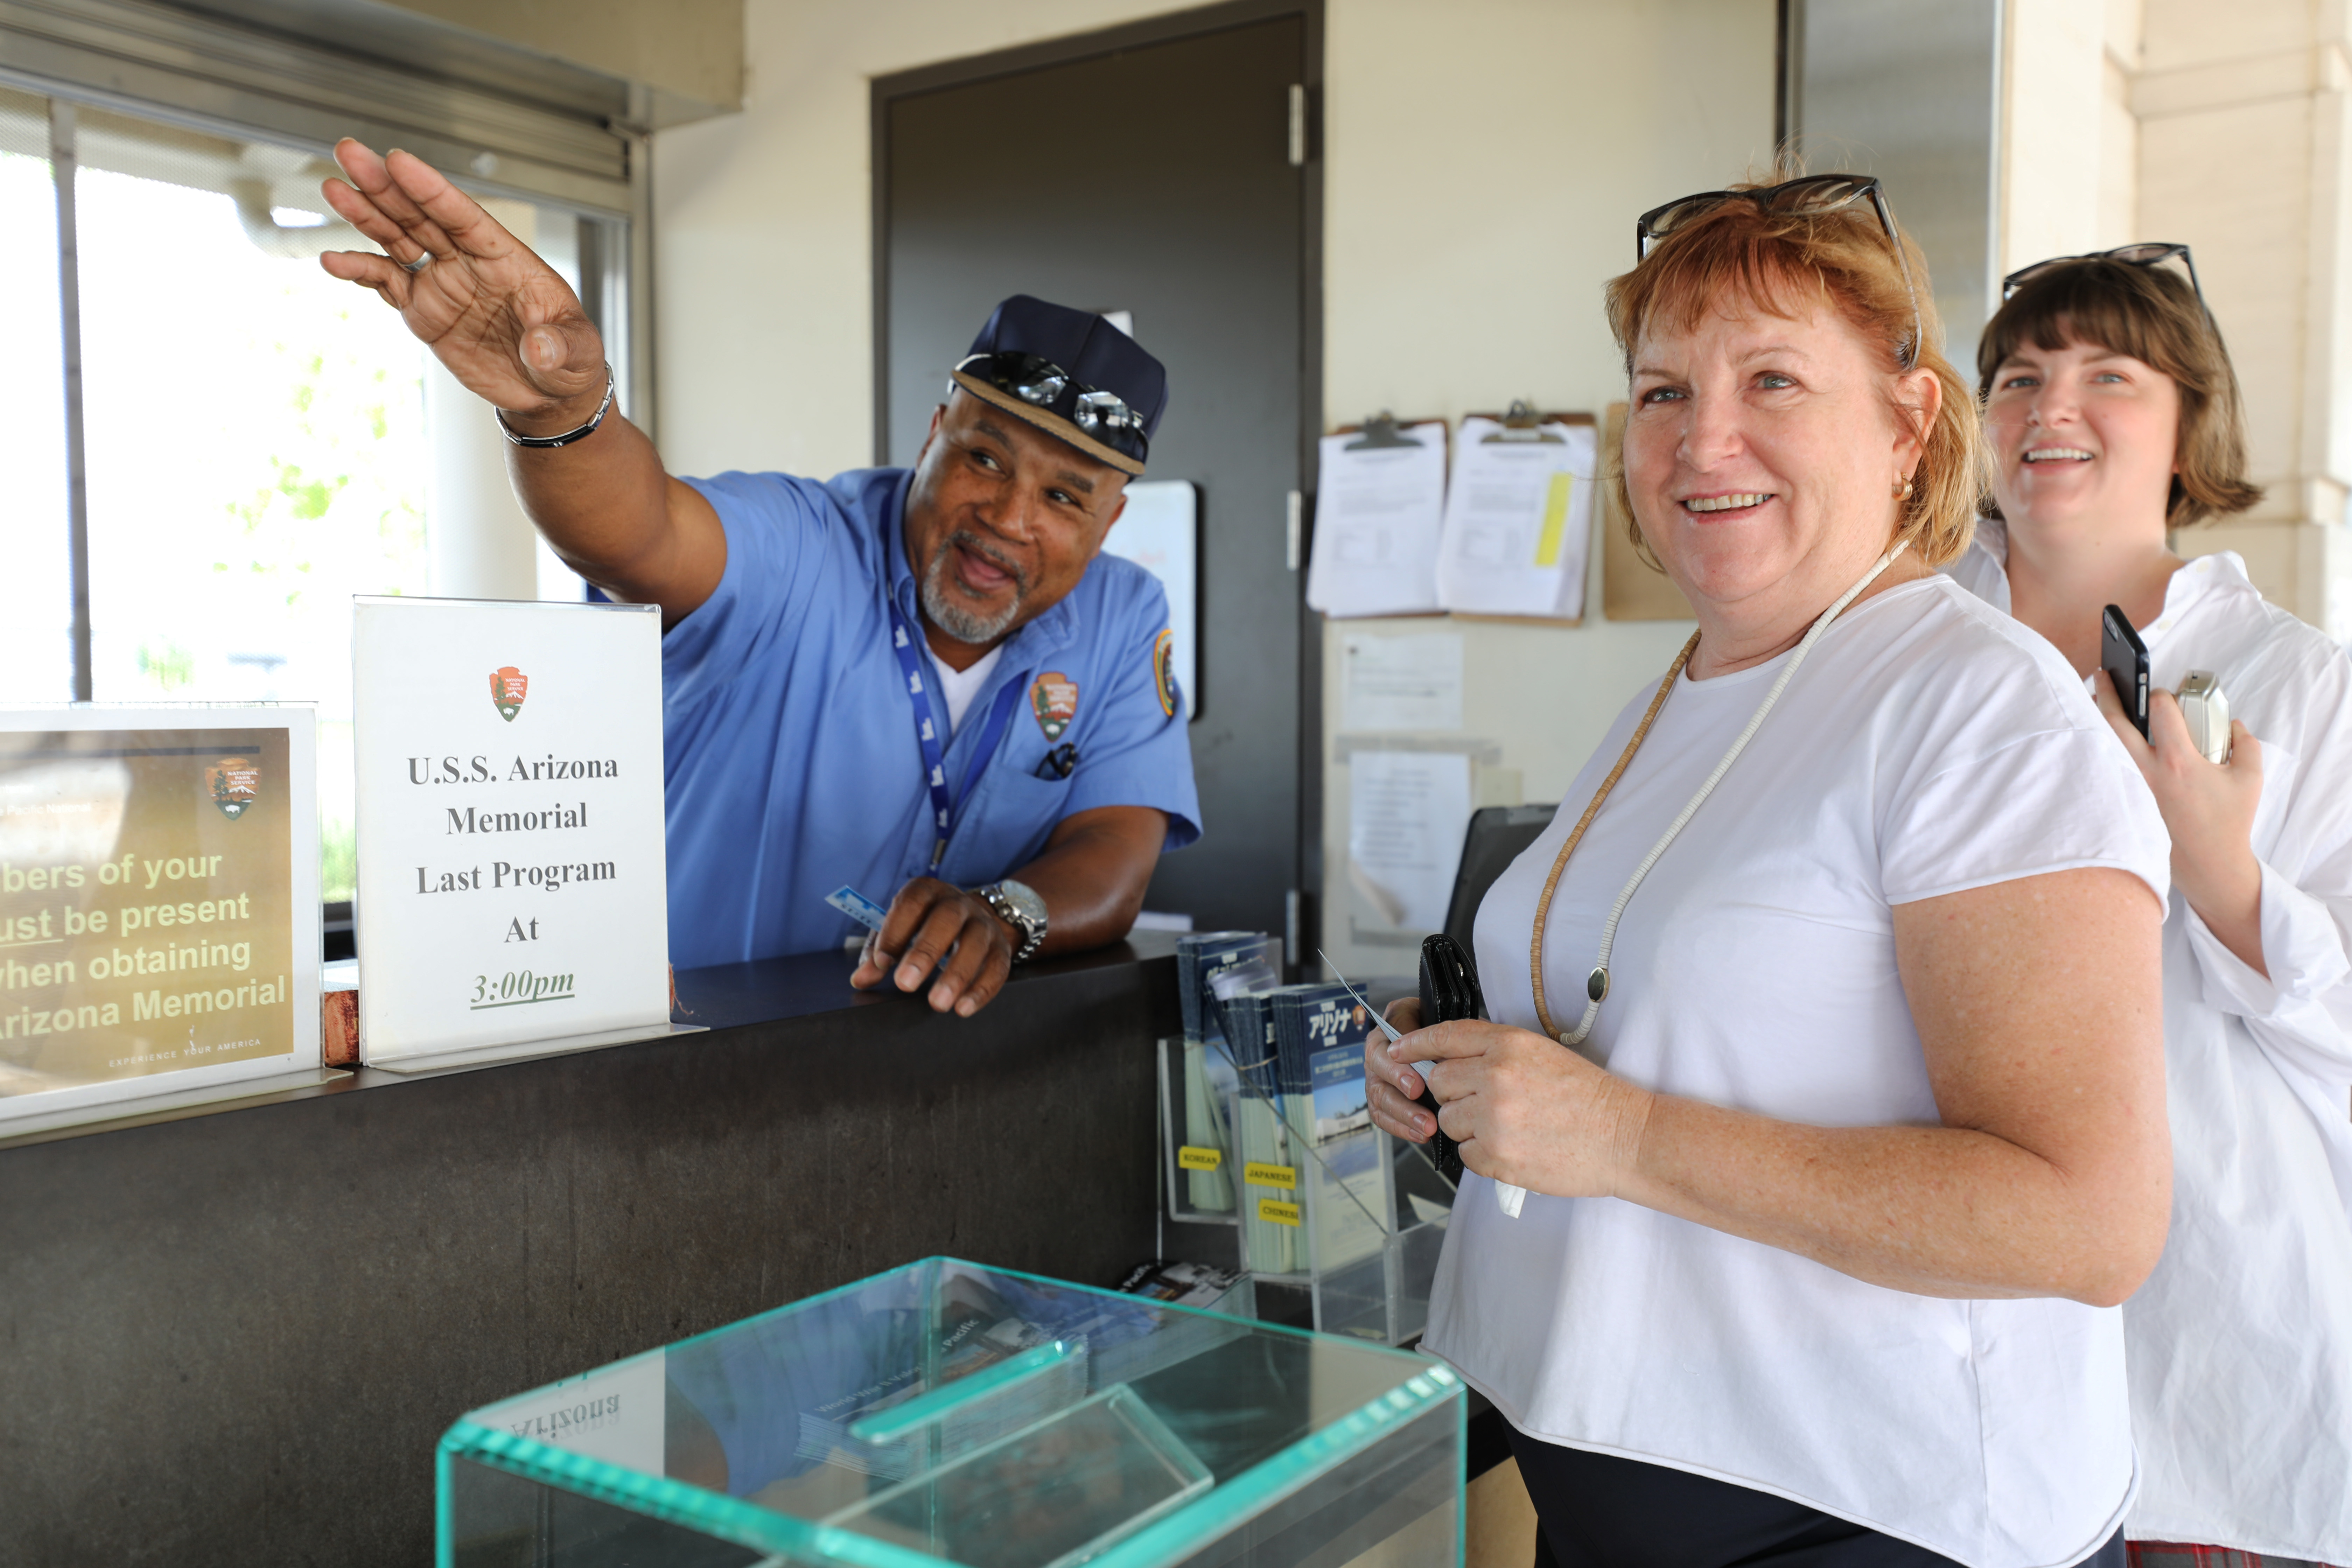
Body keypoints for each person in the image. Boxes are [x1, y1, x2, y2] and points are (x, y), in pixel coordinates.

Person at [1365, 175, 2172, 1568]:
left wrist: (1616, 1135)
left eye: (1774, 379)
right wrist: (1471, 1082)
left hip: (1871, 1512)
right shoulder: (1674, 692)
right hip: (1618, 1478)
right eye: (1664, 390)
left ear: (1908, 423)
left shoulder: (1976, 710)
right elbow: (1663, 1030)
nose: (1701, 438)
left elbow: (2087, 1219)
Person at [316, 140, 1200, 1016]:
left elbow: (1118, 841)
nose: (1009, 518)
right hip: (686, 1063)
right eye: (983, 457)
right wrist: (560, 412)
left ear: (1109, 522)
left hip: (927, 1087)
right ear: (933, 434)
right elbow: (638, 535)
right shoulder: (806, 544)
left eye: (1062, 496)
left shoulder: (1122, 613)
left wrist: (1006, 915)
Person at [1953, 247, 2352, 1568]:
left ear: (2189, 428)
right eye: (2017, 376)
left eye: (2108, 376)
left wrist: (2222, 871)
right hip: (1940, 1322)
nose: (2048, 407)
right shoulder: (1901, 652)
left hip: (2205, 1355)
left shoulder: (2304, 688)